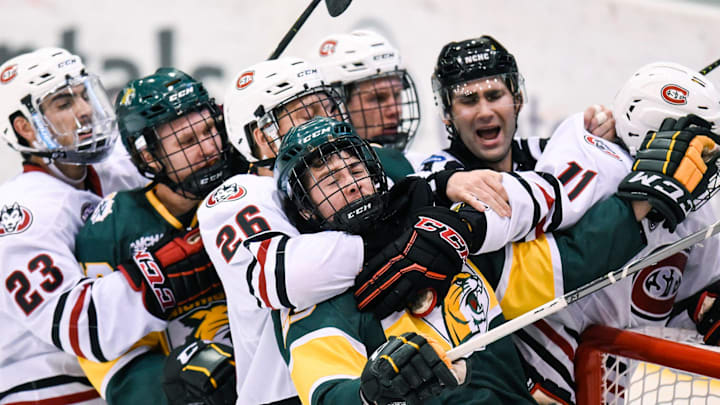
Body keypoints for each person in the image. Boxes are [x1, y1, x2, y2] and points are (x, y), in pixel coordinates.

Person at [269, 115, 714, 405]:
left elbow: (572, 260)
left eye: (355, 170)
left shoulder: (437, 241)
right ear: (305, 208)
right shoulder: (316, 300)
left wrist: (652, 194)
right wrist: (370, 392)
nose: (350, 185)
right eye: (328, 179)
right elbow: (326, 392)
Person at [0, 48, 216, 404]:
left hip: (111, 377)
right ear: (25, 128)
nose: (84, 110)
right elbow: (81, 325)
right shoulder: (24, 215)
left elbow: (177, 148)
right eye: (63, 103)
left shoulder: (107, 167)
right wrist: (176, 263)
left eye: (84, 95)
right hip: (47, 389)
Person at [510, 61, 720, 404]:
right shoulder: (597, 163)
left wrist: (706, 309)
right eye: (703, 145)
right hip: (539, 354)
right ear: (655, 129)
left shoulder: (699, 208)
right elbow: (533, 248)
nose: (709, 160)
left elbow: (678, 301)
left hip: (610, 374)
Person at [74, 68, 240, 405]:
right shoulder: (113, 227)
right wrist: (176, 392)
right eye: (188, 141)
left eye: (210, 130)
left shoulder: (248, 191)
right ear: (149, 156)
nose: (208, 147)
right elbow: (107, 353)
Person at [309, 29, 423, 176]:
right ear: (334, 107)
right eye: (378, 98)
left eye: (397, 94)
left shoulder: (423, 165)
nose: (396, 110)